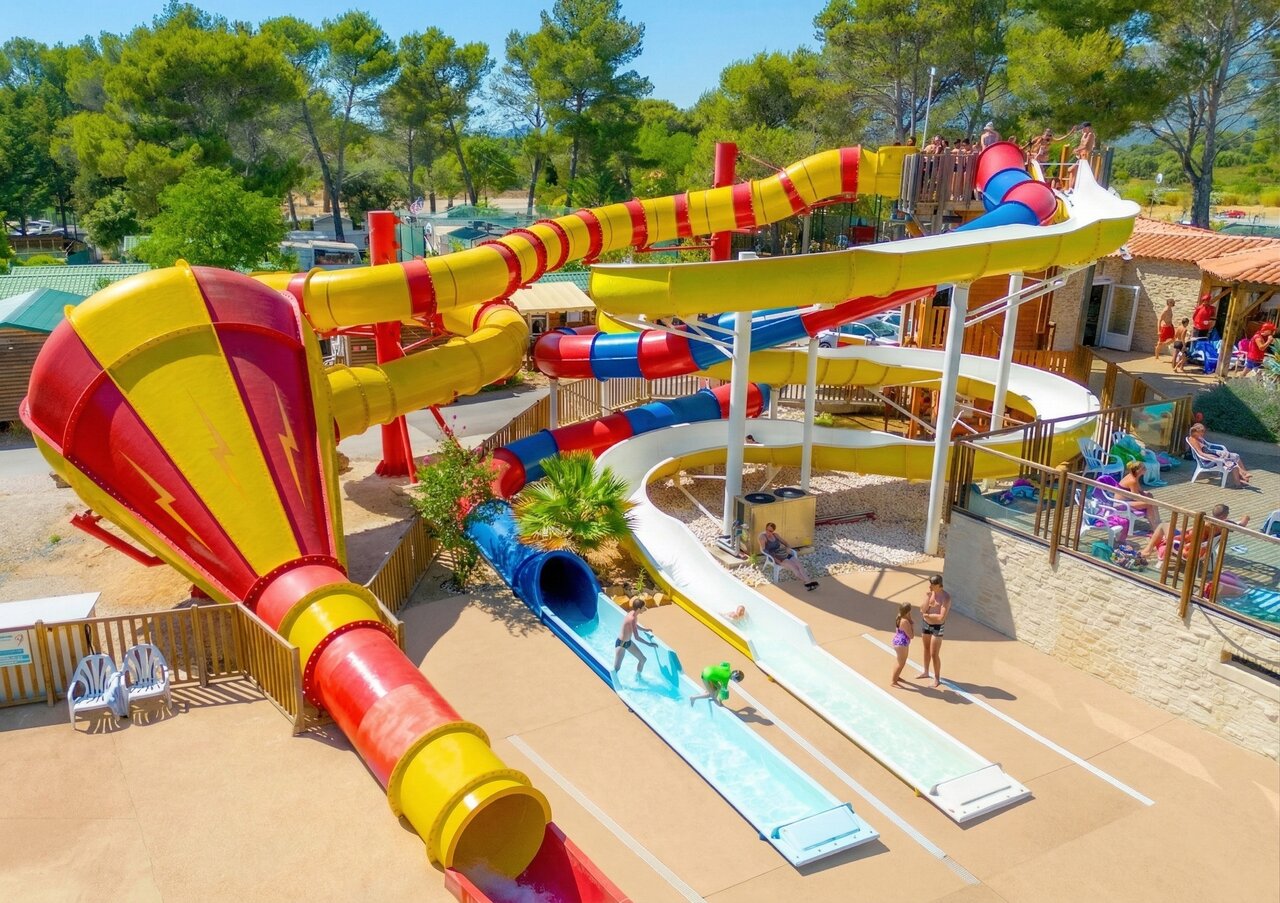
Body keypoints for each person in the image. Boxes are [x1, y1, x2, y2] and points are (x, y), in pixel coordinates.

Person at [1187, 423, 1253, 487]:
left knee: (1235, 456)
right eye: (1202, 432)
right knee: (1231, 460)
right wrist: (1212, 457)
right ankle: (1241, 477)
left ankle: (1243, 475)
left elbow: (1208, 446)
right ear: (1196, 432)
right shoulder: (1193, 440)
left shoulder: (1199, 437)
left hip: (1212, 454)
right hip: (1207, 461)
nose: (1203, 433)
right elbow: (1200, 453)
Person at [759, 522, 819, 590]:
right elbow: (764, 551)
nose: (768, 532)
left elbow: (785, 542)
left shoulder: (775, 535)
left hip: (784, 553)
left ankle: (808, 582)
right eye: (766, 529)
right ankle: (808, 582)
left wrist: (788, 548)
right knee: (794, 568)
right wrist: (776, 560)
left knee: (799, 565)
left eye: (770, 531)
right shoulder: (763, 537)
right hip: (778, 557)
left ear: (773, 531)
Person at [916, 576, 951, 688]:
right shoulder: (930, 594)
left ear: (939, 585)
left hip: (937, 627)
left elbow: (941, 618)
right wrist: (928, 598)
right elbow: (922, 609)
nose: (929, 587)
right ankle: (926, 672)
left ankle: (937, 678)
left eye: (932, 585)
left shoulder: (946, 598)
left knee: (934, 654)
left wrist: (928, 615)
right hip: (926, 624)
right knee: (926, 649)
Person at [612, 596, 657, 676]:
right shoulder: (632, 618)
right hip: (621, 644)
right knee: (616, 668)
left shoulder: (633, 614)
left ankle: (638, 678)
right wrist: (649, 644)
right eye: (643, 607)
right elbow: (637, 637)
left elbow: (634, 626)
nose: (645, 609)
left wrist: (645, 630)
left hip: (628, 642)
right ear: (639, 609)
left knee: (643, 659)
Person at [1118, 460, 1162, 529]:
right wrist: (1149, 501)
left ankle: (1157, 520)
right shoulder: (1132, 481)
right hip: (1122, 504)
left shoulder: (1134, 477)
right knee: (1149, 504)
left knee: (1149, 495)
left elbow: (1140, 491)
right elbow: (1136, 497)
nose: (1146, 469)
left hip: (1128, 500)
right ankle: (1154, 527)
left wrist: (1149, 497)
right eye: (1143, 468)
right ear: (1137, 471)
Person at [891, 603, 914, 688]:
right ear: (908, 611)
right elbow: (911, 636)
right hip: (901, 644)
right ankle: (893, 681)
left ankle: (896, 676)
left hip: (900, 643)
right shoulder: (905, 622)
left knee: (900, 662)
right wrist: (912, 624)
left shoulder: (899, 617)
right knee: (900, 663)